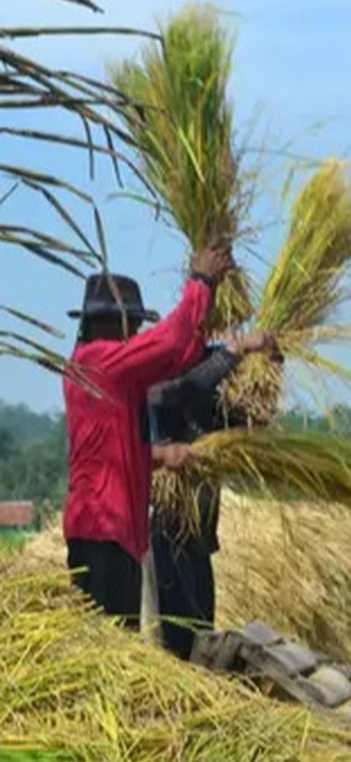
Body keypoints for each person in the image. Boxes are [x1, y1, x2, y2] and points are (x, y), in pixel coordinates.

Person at [63, 247, 231, 629]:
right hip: (101, 530)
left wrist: (162, 454)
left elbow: (179, 357)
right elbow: (170, 342)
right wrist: (200, 281)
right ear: (112, 321)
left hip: (116, 532)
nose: (135, 332)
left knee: (121, 639)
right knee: (108, 645)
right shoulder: (98, 362)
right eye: (132, 323)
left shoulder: (113, 374)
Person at [148, 332, 281, 659]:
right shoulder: (159, 378)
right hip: (169, 529)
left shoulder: (210, 402)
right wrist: (235, 352)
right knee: (176, 634)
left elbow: (253, 424)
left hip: (201, 535)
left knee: (202, 628)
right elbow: (179, 391)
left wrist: (270, 369)